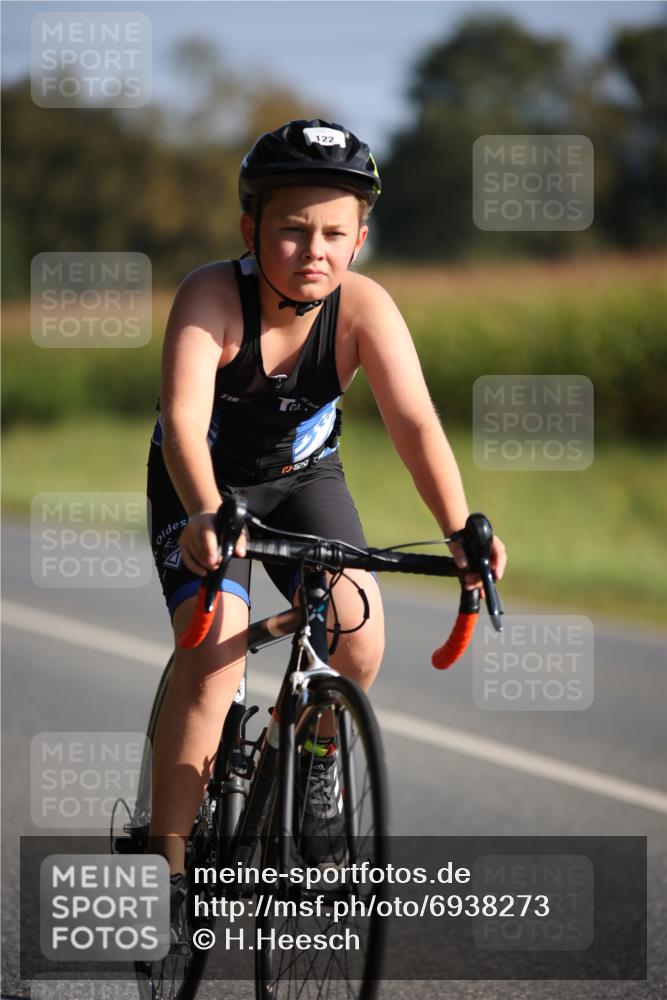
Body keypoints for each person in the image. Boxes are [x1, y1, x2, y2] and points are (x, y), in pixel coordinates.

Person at [146, 118, 506, 917]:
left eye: (334, 234)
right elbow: (181, 416)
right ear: (251, 230)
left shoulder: (364, 307)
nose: (314, 250)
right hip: (200, 482)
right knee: (211, 664)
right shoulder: (211, 295)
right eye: (291, 230)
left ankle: (304, 751)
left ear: (359, 239)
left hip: (303, 479)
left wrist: (458, 530)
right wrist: (207, 513)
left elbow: (414, 422)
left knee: (360, 632)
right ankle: (165, 866)